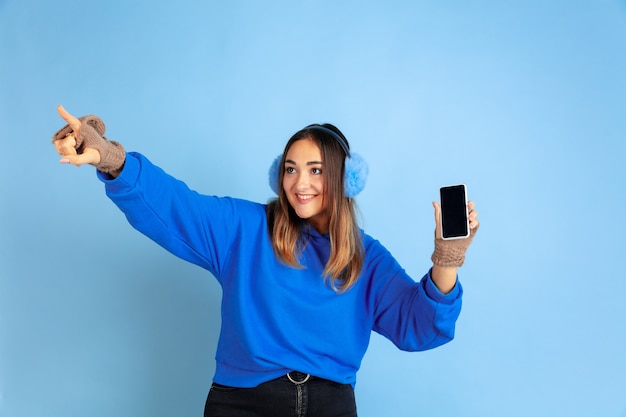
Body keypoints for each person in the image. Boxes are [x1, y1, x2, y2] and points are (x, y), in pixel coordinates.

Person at [52, 104, 479, 417]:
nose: (300, 182)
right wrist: (110, 158)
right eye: (291, 169)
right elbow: (176, 207)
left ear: (343, 178)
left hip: (330, 406)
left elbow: (418, 326)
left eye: (315, 170)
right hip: (242, 404)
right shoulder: (245, 229)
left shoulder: (367, 258)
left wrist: (448, 256)